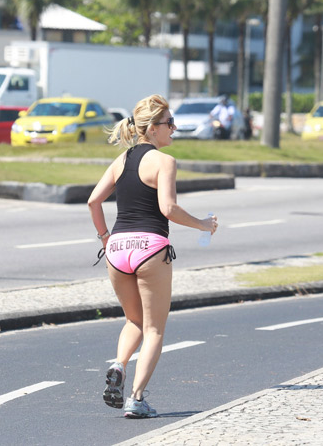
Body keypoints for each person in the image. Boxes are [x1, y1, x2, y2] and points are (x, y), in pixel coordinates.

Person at [88, 94, 218, 419]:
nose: (174, 128)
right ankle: (135, 398)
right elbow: (168, 209)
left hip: (117, 250)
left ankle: (118, 365)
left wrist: (105, 237)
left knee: (134, 320)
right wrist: (202, 223)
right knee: (155, 329)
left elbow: (93, 201)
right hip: (150, 250)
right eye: (169, 123)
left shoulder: (121, 161)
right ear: (153, 128)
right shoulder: (164, 161)